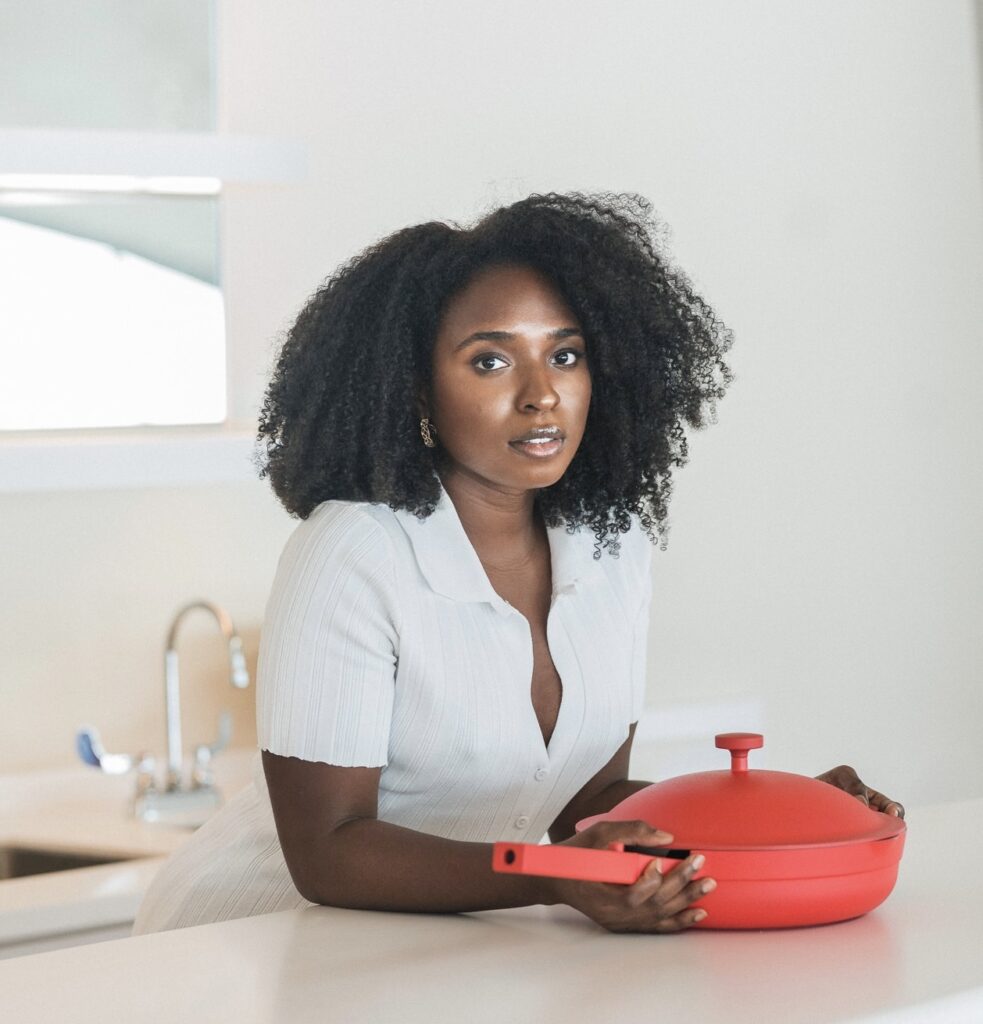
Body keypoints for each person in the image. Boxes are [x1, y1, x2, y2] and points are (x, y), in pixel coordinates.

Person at [133, 192, 903, 936]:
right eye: (491, 361)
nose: (542, 395)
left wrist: (785, 809)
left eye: (564, 354)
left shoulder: (612, 546)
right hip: (255, 947)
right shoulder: (355, 550)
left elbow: (584, 803)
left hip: (443, 954)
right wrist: (548, 874)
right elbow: (328, 852)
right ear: (417, 390)